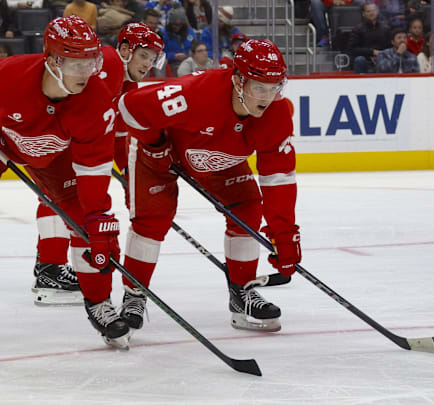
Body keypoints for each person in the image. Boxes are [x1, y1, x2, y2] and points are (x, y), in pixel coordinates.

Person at [0, 16, 127, 358]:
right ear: (51, 58)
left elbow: (93, 176)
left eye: (89, 62)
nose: (84, 72)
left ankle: (99, 304)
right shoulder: (7, 78)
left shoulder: (96, 103)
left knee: (85, 223)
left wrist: (97, 220)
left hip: (50, 151)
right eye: (75, 63)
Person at [117, 39, 300, 334]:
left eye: (275, 87)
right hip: (160, 153)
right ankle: (134, 295)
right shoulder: (196, 93)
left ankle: (242, 293)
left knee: (248, 211)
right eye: (259, 88)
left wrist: (285, 233)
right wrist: (155, 145)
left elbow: (279, 179)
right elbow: (129, 107)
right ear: (239, 80)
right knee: (152, 220)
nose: (267, 98)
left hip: (219, 158)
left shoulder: (276, 114)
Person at [30, 22, 165, 307]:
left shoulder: (129, 85)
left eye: (153, 59)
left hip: (63, 138)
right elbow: (75, 102)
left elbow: (117, 138)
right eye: (144, 56)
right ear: (127, 50)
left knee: (65, 195)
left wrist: (129, 176)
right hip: (51, 133)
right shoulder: (111, 62)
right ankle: (50, 269)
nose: (148, 64)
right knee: (63, 195)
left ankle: (49, 267)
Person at [348, 2, 392, 74]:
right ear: (363, 14)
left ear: (377, 11)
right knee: (359, 60)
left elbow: (390, 46)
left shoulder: (385, 28)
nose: (372, 13)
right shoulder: (357, 29)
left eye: (374, 10)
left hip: (382, 58)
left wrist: (381, 54)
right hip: (365, 59)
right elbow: (352, 49)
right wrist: (372, 52)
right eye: (368, 11)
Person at [162, 7, 196, 75]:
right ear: (170, 23)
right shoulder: (163, 34)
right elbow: (159, 54)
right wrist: (174, 56)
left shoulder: (190, 32)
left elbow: (195, 48)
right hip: (170, 63)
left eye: (179, 25)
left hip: (188, 61)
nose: (177, 27)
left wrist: (187, 54)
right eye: (174, 24)